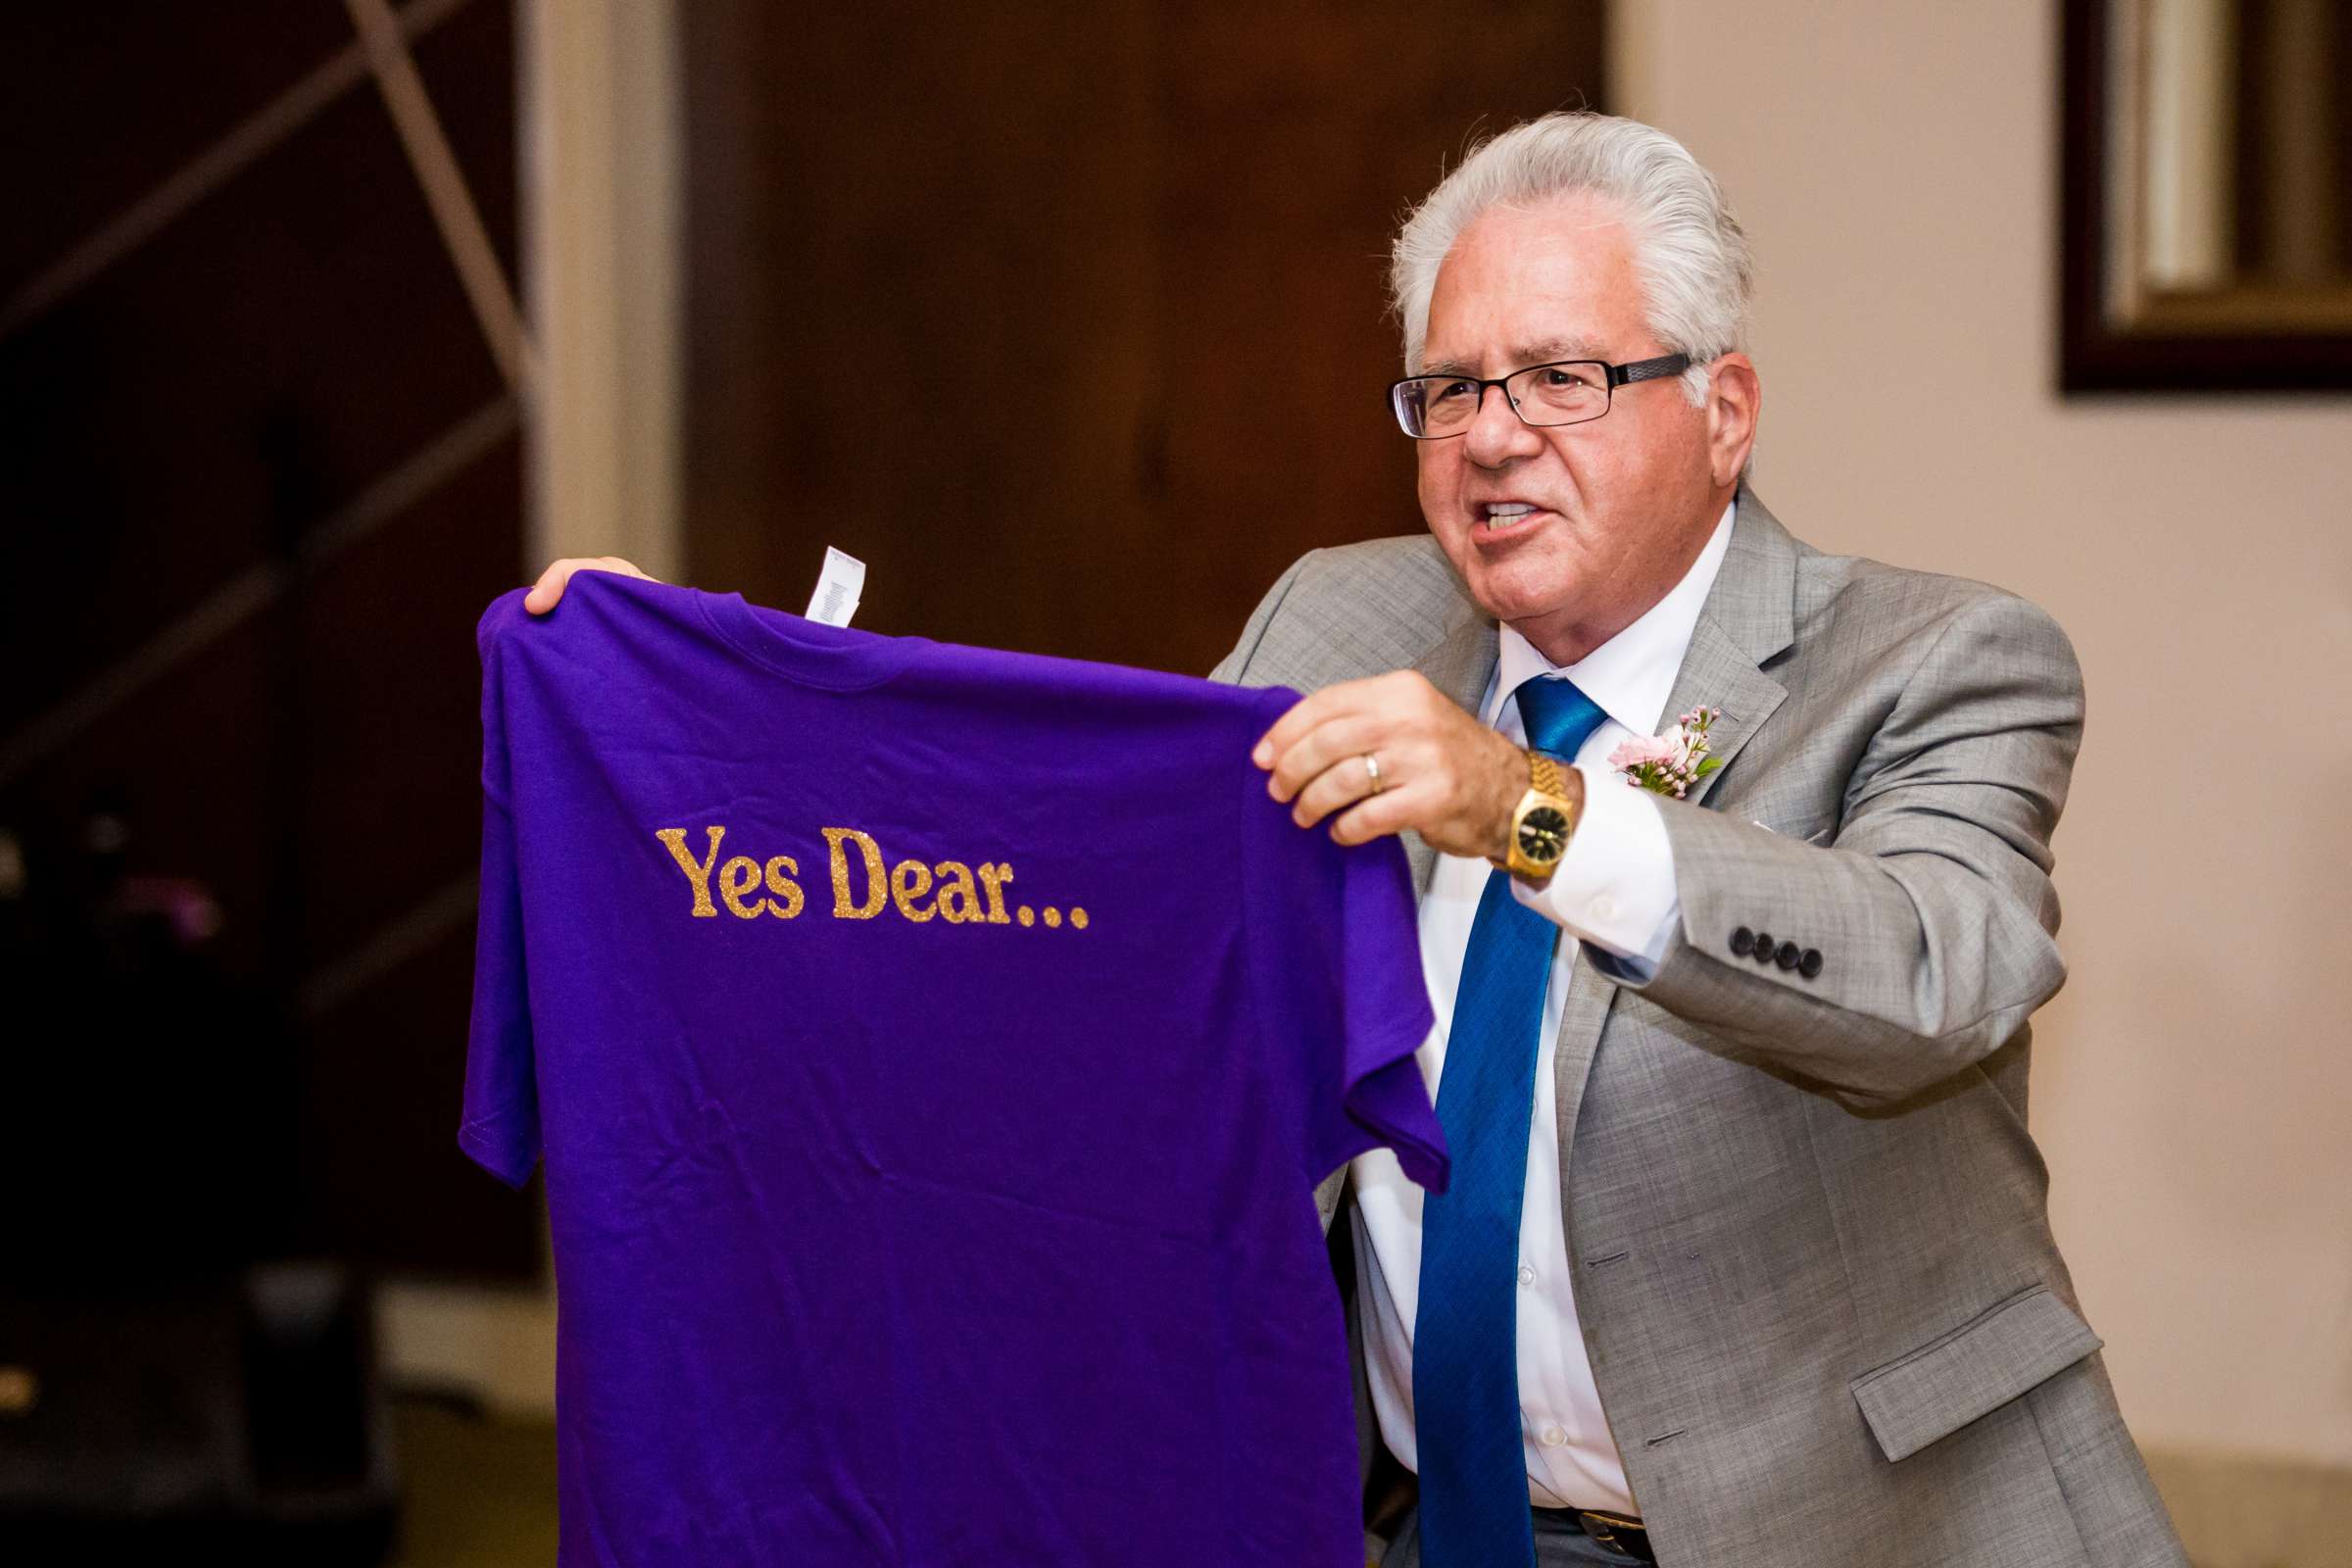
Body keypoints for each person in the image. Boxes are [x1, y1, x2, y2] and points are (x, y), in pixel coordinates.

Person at [523, 113, 2186, 1568]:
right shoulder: (1339, 611)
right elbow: (1087, 910)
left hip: (1849, 1528)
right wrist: (717, 708)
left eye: (1564, 378)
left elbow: (1937, 975)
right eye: (1449, 387)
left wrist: (1523, 807)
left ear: (1726, 408)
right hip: (1420, 1522)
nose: (1491, 434)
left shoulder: (1941, 658)